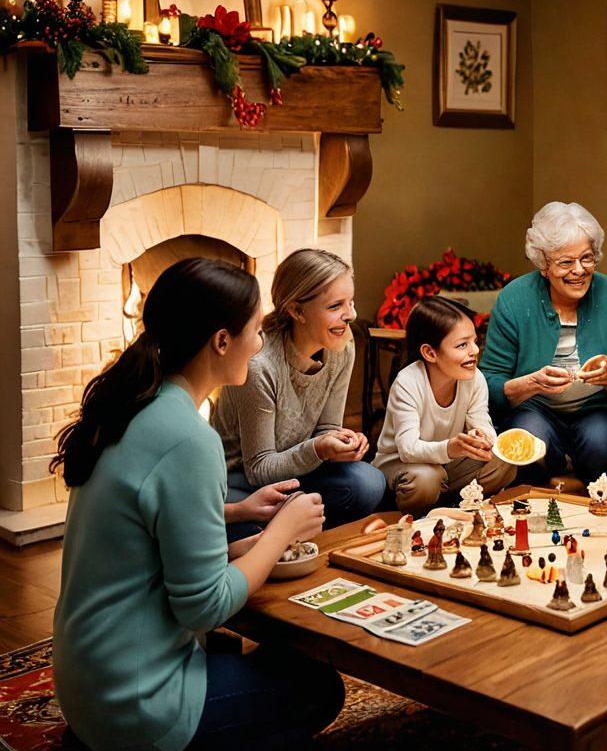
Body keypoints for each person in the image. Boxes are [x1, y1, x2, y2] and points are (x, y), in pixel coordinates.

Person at [51, 258, 343, 751]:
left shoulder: (135, 403)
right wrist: (280, 533)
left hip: (87, 683)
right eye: (254, 330)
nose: (259, 343)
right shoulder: (189, 438)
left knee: (250, 655)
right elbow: (205, 607)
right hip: (136, 705)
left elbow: (144, 534)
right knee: (319, 688)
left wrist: (237, 517)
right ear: (221, 341)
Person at [212, 248, 385, 538]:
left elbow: (326, 428)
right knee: (235, 523)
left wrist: (339, 442)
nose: (351, 315)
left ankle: (289, 527)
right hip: (242, 480)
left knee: (370, 483)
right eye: (335, 306)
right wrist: (319, 448)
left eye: (351, 302)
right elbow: (258, 468)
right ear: (296, 310)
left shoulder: (341, 345)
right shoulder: (260, 366)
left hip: (298, 471)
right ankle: (288, 526)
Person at [480, 201, 607, 485]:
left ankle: (598, 513)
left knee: (600, 441)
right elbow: (489, 385)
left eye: (587, 258)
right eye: (565, 262)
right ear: (544, 265)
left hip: (598, 409)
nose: (579, 270)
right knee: (528, 440)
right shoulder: (514, 299)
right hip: (533, 408)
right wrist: (530, 383)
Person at [373, 296, 516, 514]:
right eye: (462, 345)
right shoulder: (408, 382)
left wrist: (484, 439)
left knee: (505, 460)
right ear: (430, 353)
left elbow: (481, 420)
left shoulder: (474, 378)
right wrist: (450, 448)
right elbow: (408, 449)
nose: (474, 351)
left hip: (447, 462)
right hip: (404, 464)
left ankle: (449, 506)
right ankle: (416, 509)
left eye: (474, 341)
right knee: (427, 479)